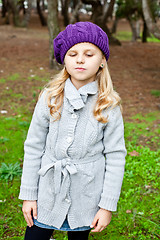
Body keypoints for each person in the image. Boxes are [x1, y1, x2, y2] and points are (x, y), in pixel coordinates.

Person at [19, 21, 127, 240]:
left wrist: (106, 206)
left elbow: (115, 156)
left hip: (86, 194)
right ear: (64, 60)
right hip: (47, 192)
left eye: (89, 54)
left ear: (102, 61)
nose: (80, 59)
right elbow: (33, 147)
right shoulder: (50, 98)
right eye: (72, 54)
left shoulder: (109, 104)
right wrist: (29, 195)